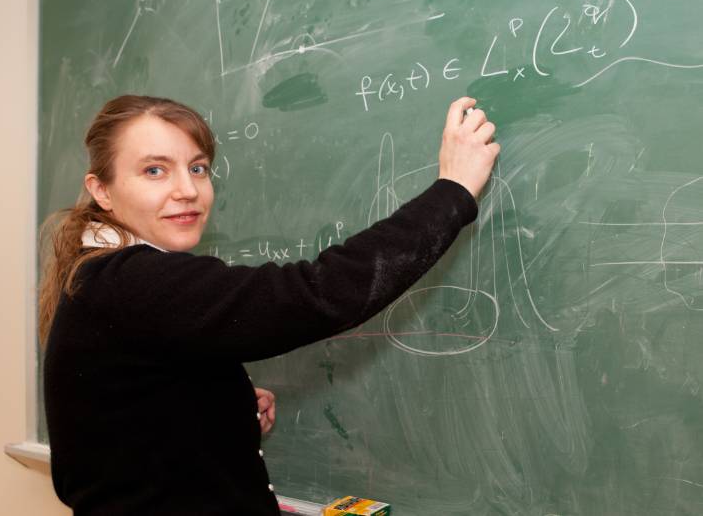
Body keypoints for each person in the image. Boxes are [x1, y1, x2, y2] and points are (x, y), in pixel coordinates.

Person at [40, 94, 499, 515]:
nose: (187, 189)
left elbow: (122, 429)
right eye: (154, 170)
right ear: (101, 190)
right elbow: (317, 294)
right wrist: (453, 191)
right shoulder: (132, 280)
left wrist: (217, 409)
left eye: (197, 168)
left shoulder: (97, 274)